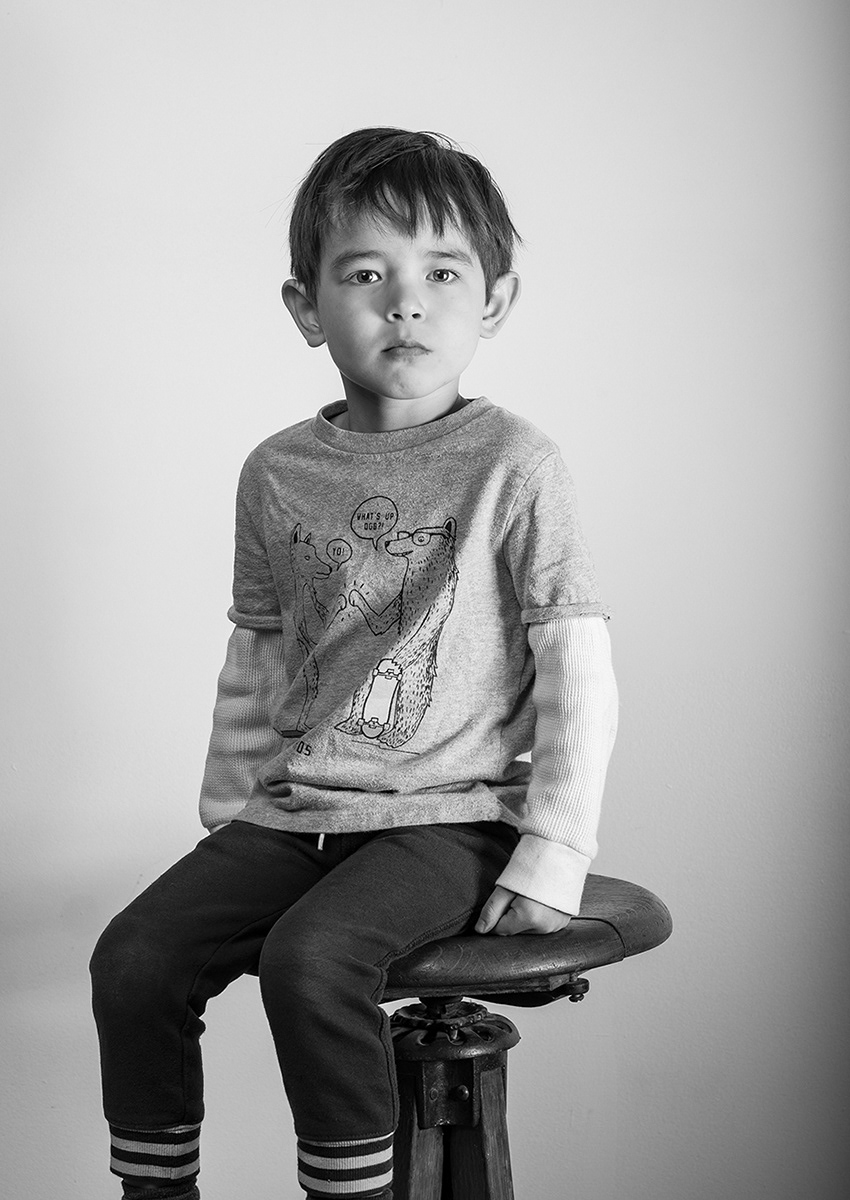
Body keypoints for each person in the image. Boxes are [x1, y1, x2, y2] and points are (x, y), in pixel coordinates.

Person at [90, 127, 619, 1200]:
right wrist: (234, 811)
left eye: (440, 274)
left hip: (448, 815)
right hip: (298, 812)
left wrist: (552, 852)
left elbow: (575, 668)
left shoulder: (517, 464)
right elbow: (262, 651)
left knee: (308, 960)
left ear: (495, 301)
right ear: (304, 306)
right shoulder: (277, 471)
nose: (405, 303)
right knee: (133, 960)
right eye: (366, 274)